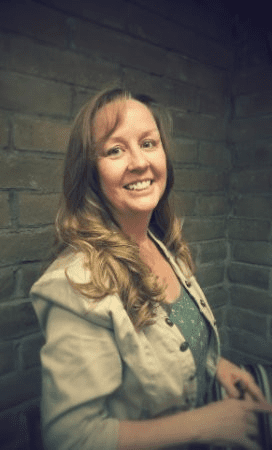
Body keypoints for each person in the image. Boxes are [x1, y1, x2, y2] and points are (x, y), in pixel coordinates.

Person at [30, 87, 272, 450]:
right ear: (90, 172)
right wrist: (202, 425)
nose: (140, 162)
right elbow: (72, 438)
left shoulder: (158, 241)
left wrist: (216, 366)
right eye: (115, 150)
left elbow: (168, 343)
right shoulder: (74, 284)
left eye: (148, 143)